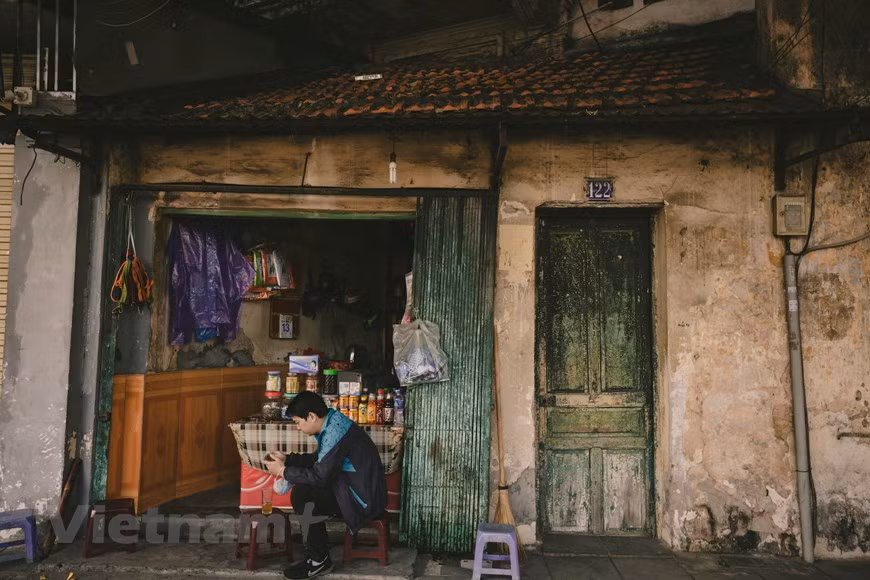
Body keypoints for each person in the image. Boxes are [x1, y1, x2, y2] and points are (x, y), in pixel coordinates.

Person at [264, 391, 386, 580]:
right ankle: (316, 546)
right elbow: (321, 461)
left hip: (362, 499)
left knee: (303, 495)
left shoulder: (336, 432)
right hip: (355, 488)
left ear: (311, 416)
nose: (297, 427)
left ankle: (319, 560)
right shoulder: (333, 423)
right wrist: (288, 459)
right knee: (306, 491)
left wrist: (283, 471)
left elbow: (320, 476)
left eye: (298, 422)